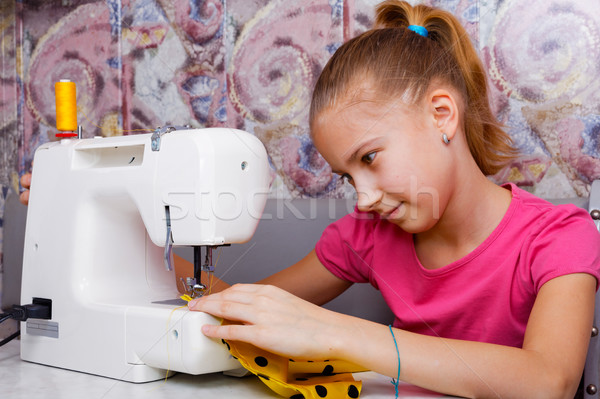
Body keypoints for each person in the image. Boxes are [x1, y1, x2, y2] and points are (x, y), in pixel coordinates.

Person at [19, 1, 600, 397]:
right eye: (348, 177)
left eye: (369, 158)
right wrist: (94, 219)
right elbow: (238, 307)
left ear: (441, 114)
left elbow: (546, 381)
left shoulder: (559, 237)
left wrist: (339, 334)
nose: (364, 197)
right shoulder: (368, 238)